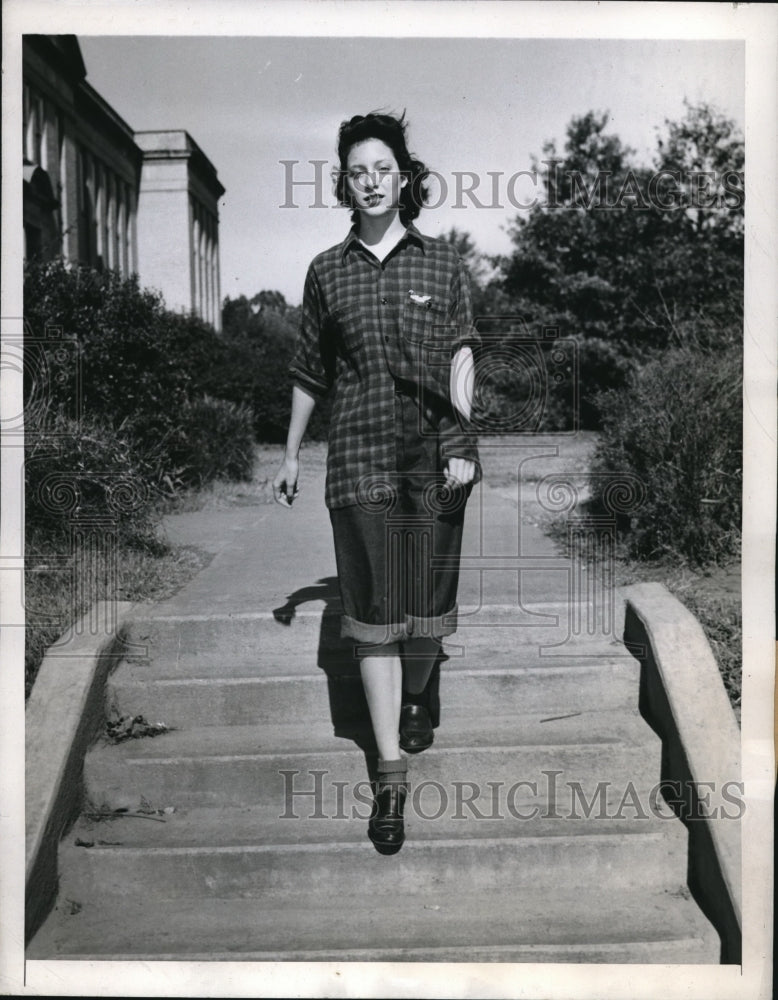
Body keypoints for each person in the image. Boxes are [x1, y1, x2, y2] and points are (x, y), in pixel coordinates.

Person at [273, 111, 480, 854]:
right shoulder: (327, 272)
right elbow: (308, 372)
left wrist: (462, 442)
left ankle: (422, 691)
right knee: (373, 617)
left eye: (382, 169)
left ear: (403, 178)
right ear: (344, 183)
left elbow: (462, 358)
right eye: (357, 171)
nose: (370, 181)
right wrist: (292, 453)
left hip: (433, 460)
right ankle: (389, 777)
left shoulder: (442, 264)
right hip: (357, 458)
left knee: (425, 612)